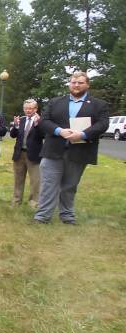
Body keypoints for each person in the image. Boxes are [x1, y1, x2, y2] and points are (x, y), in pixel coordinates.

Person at [34, 72, 109, 224]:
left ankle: (67, 216)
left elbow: (103, 124)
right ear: (69, 84)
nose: (76, 85)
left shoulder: (99, 105)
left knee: (70, 185)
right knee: (48, 184)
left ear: (87, 85)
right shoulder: (55, 102)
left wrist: (82, 134)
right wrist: (59, 131)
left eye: (80, 82)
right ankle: (42, 217)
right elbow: (44, 121)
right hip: (53, 150)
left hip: (79, 151)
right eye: (73, 82)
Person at [9, 99, 44, 208]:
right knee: (18, 180)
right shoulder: (21, 120)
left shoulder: (41, 121)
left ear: (35, 109)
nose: (28, 110)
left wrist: (38, 125)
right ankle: (16, 201)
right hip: (19, 154)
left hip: (34, 155)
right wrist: (15, 126)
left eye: (30, 108)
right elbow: (12, 135)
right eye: (26, 108)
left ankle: (33, 203)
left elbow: (44, 135)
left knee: (35, 181)